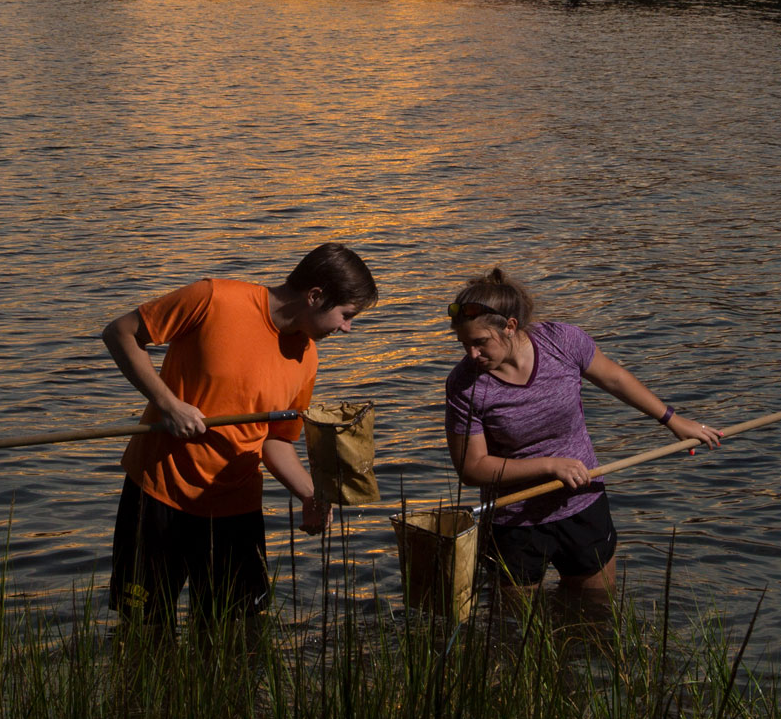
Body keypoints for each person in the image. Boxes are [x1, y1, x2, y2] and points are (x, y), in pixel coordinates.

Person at [103, 243, 378, 637]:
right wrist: (169, 404)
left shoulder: (307, 357)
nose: (347, 327)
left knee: (236, 640)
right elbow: (120, 333)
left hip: (235, 507)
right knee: (144, 633)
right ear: (315, 295)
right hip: (160, 493)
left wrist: (310, 494)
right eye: (347, 315)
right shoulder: (214, 298)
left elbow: (275, 441)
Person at [444, 268, 721, 603]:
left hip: (583, 504)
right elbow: (472, 469)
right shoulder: (464, 385)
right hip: (513, 521)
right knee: (516, 631)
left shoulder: (561, 341)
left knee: (597, 616)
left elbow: (615, 380)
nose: (471, 355)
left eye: (480, 343)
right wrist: (550, 466)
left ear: (511, 327)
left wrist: (673, 421)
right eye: (463, 344)